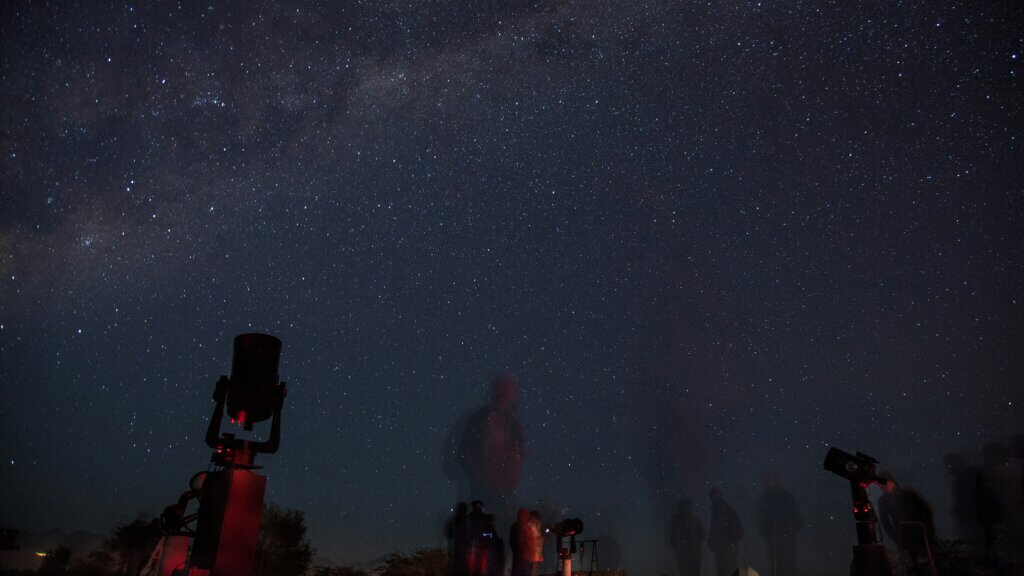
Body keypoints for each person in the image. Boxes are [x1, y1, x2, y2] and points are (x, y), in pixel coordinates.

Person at [876, 472, 936, 576]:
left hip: (920, 533)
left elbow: (926, 511)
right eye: (880, 485)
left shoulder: (908, 494)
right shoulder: (883, 501)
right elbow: (885, 521)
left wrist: (928, 529)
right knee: (910, 564)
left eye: (884, 483)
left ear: (892, 482)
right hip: (903, 535)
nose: (883, 487)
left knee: (926, 562)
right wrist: (894, 536)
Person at [755, 474, 803, 576]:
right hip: (774, 539)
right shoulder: (767, 499)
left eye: (771, 480)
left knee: (788, 564)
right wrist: (767, 532)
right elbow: (762, 519)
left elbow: (797, 519)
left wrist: (788, 530)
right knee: (777, 565)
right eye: (768, 481)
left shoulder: (786, 497)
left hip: (786, 538)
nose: (769, 483)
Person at [708, 487, 743, 576]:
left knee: (728, 570)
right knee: (725, 570)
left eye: (714, 495)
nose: (713, 498)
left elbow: (719, 529)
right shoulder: (719, 510)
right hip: (723, 546)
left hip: (726, 546)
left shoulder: (723, 510)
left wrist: (727, 539)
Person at [669, 496, 705, 576]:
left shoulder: (677, 520)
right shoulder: (694, 519)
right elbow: (702, 536)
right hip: (692, 553)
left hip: (686, 554)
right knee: (693, 572)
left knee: (686, 572)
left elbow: (672, 541)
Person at [446, 502, 470, 576]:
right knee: (464, 565)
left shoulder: (454, 519)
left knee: (458, 566)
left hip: (457, 545)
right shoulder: (466, 519)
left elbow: (449, 534)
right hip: (463, 545)